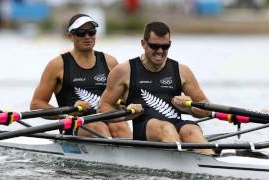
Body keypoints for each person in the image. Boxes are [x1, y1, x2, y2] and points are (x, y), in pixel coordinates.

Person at [98, 21, 214, 154]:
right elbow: (103, 107)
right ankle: (183, 163)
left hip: (175, 123)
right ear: (143, 44)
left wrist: (190, 108)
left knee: (191, 130)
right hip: (145, 127)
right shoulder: (124, 71)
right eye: (154, 46)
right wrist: (127, 116)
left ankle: (215, 165)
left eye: (165, 46)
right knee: (166, 128)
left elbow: (206, 108)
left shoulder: (182, 71)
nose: (160, 51)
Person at [30, 13, 132, 138]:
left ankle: (135, 155)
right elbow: (36, 105)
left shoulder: (110, 62)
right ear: (70, 36)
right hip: (75, 125)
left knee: (120, 126)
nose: (87, 37)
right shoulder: (57, 65)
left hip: (108, 119)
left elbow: (123, 97)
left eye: (91, 32)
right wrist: (70, 111)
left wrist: (125, 102)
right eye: (81, 33)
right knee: (98, 126)